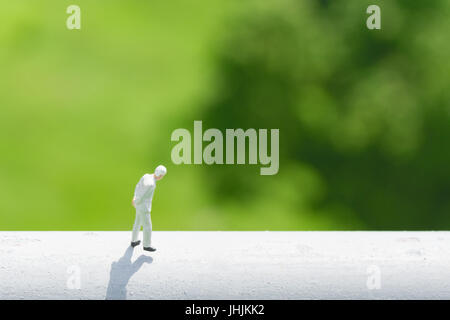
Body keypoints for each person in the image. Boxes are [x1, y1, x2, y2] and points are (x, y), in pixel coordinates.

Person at [131, 165, 167, 252]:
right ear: (160, 175)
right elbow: (142, 195)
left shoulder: (146, 176)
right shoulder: (151, 184)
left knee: (137, 223)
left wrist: (134, 198)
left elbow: (138, 186)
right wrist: (136, 201)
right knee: (147, 226)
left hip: (138, 204)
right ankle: (146, 245)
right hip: (144, 207)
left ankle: (134, 241)